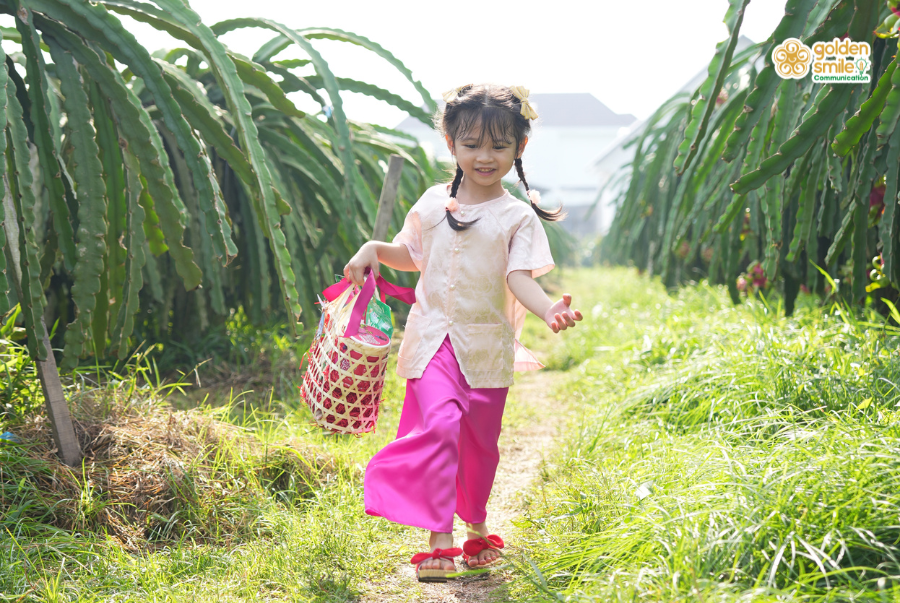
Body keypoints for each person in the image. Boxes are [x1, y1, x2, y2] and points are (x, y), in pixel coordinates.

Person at [343, 83, 583, 583]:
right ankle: (439, 539)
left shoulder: (517, 216)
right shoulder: (432, 204)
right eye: (472, 144)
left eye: (499, 145)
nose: (485, 156)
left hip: (486, 350)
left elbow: (519, 278)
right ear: (450, 144)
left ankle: (475, 524)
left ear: (519, 147)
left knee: (479, 445)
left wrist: (547, 310)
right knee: (438, 427)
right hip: (431, 343)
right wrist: (372, 247)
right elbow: (411, 255)